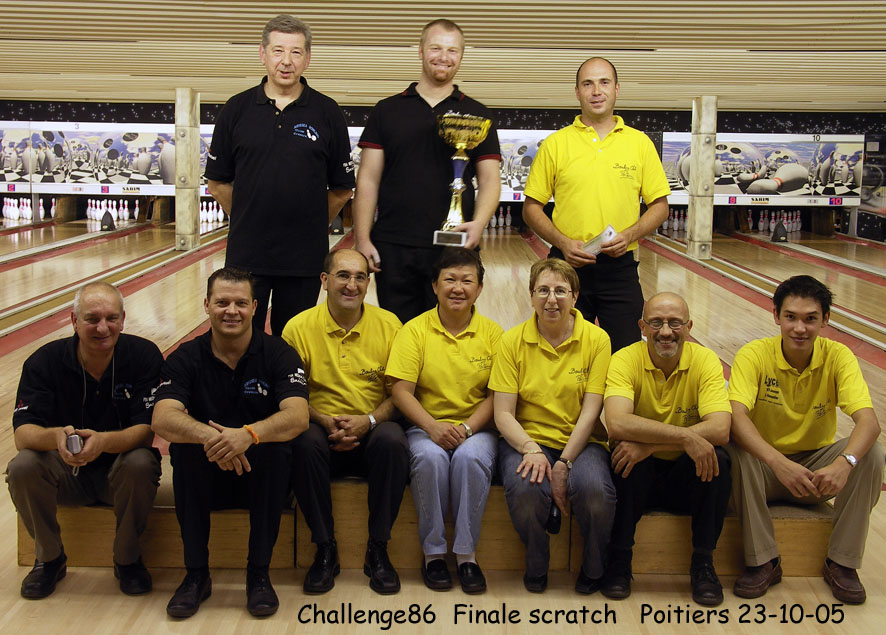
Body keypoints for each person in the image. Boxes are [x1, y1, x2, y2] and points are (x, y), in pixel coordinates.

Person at [152, 267, 309, 618]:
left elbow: (298, 416)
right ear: (207, 305)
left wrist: (247, 435)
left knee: (276, 449)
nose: (231, 311)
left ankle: (259, 574)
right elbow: (162, 418)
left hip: (261, 478)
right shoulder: (185, 357)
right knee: (185, 449)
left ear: (255, 307)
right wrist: (214, 438)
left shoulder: (278, 353)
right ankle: (196, 575)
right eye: (222, 302)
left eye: (240, 303)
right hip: (206, 474)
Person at [727, 275, 883, 604]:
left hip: (815, 474)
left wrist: (844, 463)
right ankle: (763, 561)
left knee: (871, 453)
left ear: (826, 320)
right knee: (736, 448)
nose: (800, 328)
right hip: (763, 471)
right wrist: (777, 463)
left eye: (810, 319)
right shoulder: (754, 354)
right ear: (776, 316)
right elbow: (736, 417)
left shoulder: (838, 356)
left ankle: (842, 562)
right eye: (791, 317)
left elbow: (869, 423)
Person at [7, 281, 162, 599]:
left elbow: (147, 431)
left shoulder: (143, 356)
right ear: (74, 321)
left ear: (123, 319)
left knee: (141, 461)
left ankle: (127, 559)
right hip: (66, 475)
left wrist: (103, 442)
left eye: (111, 318)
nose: (102, 328)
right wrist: (55, 437)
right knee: (22, 466)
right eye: (92, 319)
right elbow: (23, 434)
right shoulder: (44, 362)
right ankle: (49, 560)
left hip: (119, 476)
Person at [205, 14, 355, 336]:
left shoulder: (327, 112)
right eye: (278, 51)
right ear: (263, 54)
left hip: (304, 258)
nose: (286, 61)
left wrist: (311, 223)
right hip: (246, 256)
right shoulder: (236, 109)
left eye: (296, 52)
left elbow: (343, 188)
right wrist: (246, 216)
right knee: (241, 341)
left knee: (293, 344)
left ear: (307, 58)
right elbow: (216, 182)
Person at [352, 18, 502, 324]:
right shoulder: (387, 110)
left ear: (461, 55)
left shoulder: (478, 114)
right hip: (394, 244)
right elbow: (368, 179)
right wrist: (362, 239)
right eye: (436, 48)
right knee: (398, 333)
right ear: (420, 51)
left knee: (451, 333)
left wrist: (479, 224)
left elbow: (490, 180)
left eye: (452, 50)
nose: (443, 57)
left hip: (455, 245)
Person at [522, 57, 670, 352]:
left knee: (627, 353)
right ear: (577, 92)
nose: (596, 91)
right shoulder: (555, 144)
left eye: (604, 82)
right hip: (566, 267)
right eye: (587, 84)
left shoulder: (640, 143)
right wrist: (563, 243)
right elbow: (531, 208)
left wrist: (629, 235)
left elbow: (660, 206)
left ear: (617, 89)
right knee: (564, 353)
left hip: (620, 269)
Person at [283, 248, 408, 595]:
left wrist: (368, 420)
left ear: (368, 284)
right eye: (343, 276)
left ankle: (378, 548)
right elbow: (291, 395)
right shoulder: (298, 328)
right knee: (303, 441)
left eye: (360, 277)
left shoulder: (390, 326)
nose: (352, 285)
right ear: (325, 281)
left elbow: (400, 395)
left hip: (372, 430)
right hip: (321, 431)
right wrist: (325, 422)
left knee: (394, 440)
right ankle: (325, 549)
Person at [489, 258, 614, 594]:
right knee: (526, 491)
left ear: (575, 296)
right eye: (543, 290)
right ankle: (537, 560)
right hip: (527, 440)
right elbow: (503, 414)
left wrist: (564, 463)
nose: (551, 299)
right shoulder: (512, 341)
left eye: (561, 291)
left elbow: (591, 413)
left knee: (595, 492)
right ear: (531, 296)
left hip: (583, 441)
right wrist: (531, 448)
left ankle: (594, 567)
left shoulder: (597, 340)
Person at [602, 292, 732, 606]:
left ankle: (703, 563)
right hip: (639, 477)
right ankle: (619, 559)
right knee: (624, 455)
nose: (665, 332)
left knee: (717, 459)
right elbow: (616, 423)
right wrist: (685, 437)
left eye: (674, 323)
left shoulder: (705, 361)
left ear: (689, 327)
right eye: (656, 323)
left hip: (684, 475)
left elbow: (721, 428)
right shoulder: (625, 359)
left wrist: (653, 445)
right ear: (642, 327)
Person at [387, 247, 502, 593]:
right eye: (449, 280)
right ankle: (434, 554)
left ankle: (466, 555)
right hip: (425, 426)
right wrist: (432, 427)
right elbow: (401, 391)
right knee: (430, 459)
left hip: (476, 428)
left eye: (467, 281)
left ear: (479, 289)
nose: (458, 288)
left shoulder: (494, 334)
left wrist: (467, 428)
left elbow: (497, 396)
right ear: (435, 286)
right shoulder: (414, 331)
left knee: (470, 458)